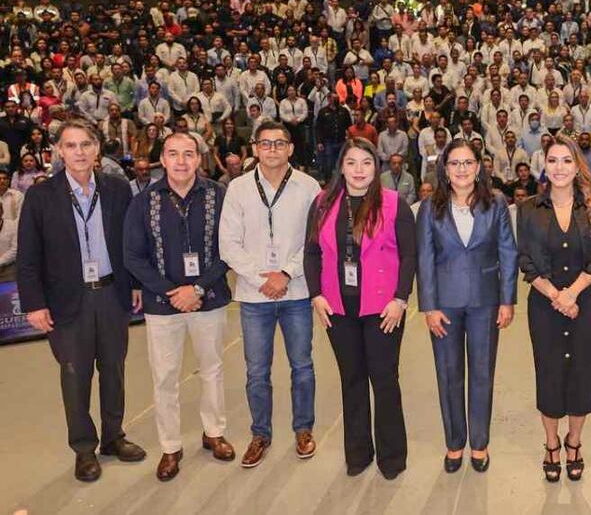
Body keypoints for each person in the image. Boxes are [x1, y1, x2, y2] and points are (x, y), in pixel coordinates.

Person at [17, 119, 146, 482]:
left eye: (86, 144)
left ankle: (113, 437)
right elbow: (28, 257)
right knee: (76, 377)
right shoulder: (41, 196)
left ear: (97, 149)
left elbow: (130, 243)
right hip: (65, 301)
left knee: (115, 370)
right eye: (71, 146)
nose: (79, 152)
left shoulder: (118, 190)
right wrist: (34, 303)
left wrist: (134, 283)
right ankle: (84, 448)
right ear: (59, 151)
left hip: (111, 295)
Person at [122, 131, 234, 481]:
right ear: (163, 159)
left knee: (212, 369)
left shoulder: (220, 195)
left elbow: (229, 249)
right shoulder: (143, 201)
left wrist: (198, 287)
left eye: (189, 154)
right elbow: (132, 256)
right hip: (162, 304)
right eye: (173, 154)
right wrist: (174, 292)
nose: (182, 161)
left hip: (209, 298)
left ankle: (213, 432)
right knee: (165, 377)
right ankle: (171, 446)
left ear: (199, 158)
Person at [304, 137, 417, 478]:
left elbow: (410, 255)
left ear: (376, 167)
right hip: (338, 308)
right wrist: (316, 295)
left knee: (384, 380)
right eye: (351, 162)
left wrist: (400, 299)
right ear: (341, 166)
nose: (358, 170)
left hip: (383, 310)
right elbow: (311, 253)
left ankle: (392, 457)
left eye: (366, 163)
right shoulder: (323, 203)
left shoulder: (395, 204)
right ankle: (358, 454)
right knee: (351, 380)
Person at [219, 121, 322, 469]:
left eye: (280, 143)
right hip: (253, 295)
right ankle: (260, 434)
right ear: (255, 148)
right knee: (257, 372)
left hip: (296, 293)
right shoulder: (238, 189)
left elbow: (315, 240)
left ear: (291, 148)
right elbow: (228, 244)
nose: (273, 149)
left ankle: (303, 429)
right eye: (266, 143)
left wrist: (286, 273)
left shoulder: (309, 187)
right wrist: (260, 277)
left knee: (302, 366)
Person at [416, 138, 517, 473]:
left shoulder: (497, 203)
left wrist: (507, 299)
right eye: (454, 163)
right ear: (444, 169)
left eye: (468, 163)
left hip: (485, 303)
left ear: (479, 167)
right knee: (449, 375)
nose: (461, 169)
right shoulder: (430, 208)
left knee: (482, 373)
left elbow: (508, 252)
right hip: (444, 305)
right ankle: (454, 442)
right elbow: (424, 259)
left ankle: (480, 442)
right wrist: (428, 306)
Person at [516, 135, 591, 482]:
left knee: (582, 374)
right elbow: (525, 260)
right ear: (544, 164)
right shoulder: (527, 209)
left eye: (566, 161)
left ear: (577, 166)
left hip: (585, 305)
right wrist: (557, 295)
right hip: (544, 306)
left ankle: (575, 442)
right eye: (552, 160)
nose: (559, 167)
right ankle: (552, 444)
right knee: (550, 374)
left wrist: (573, 294)